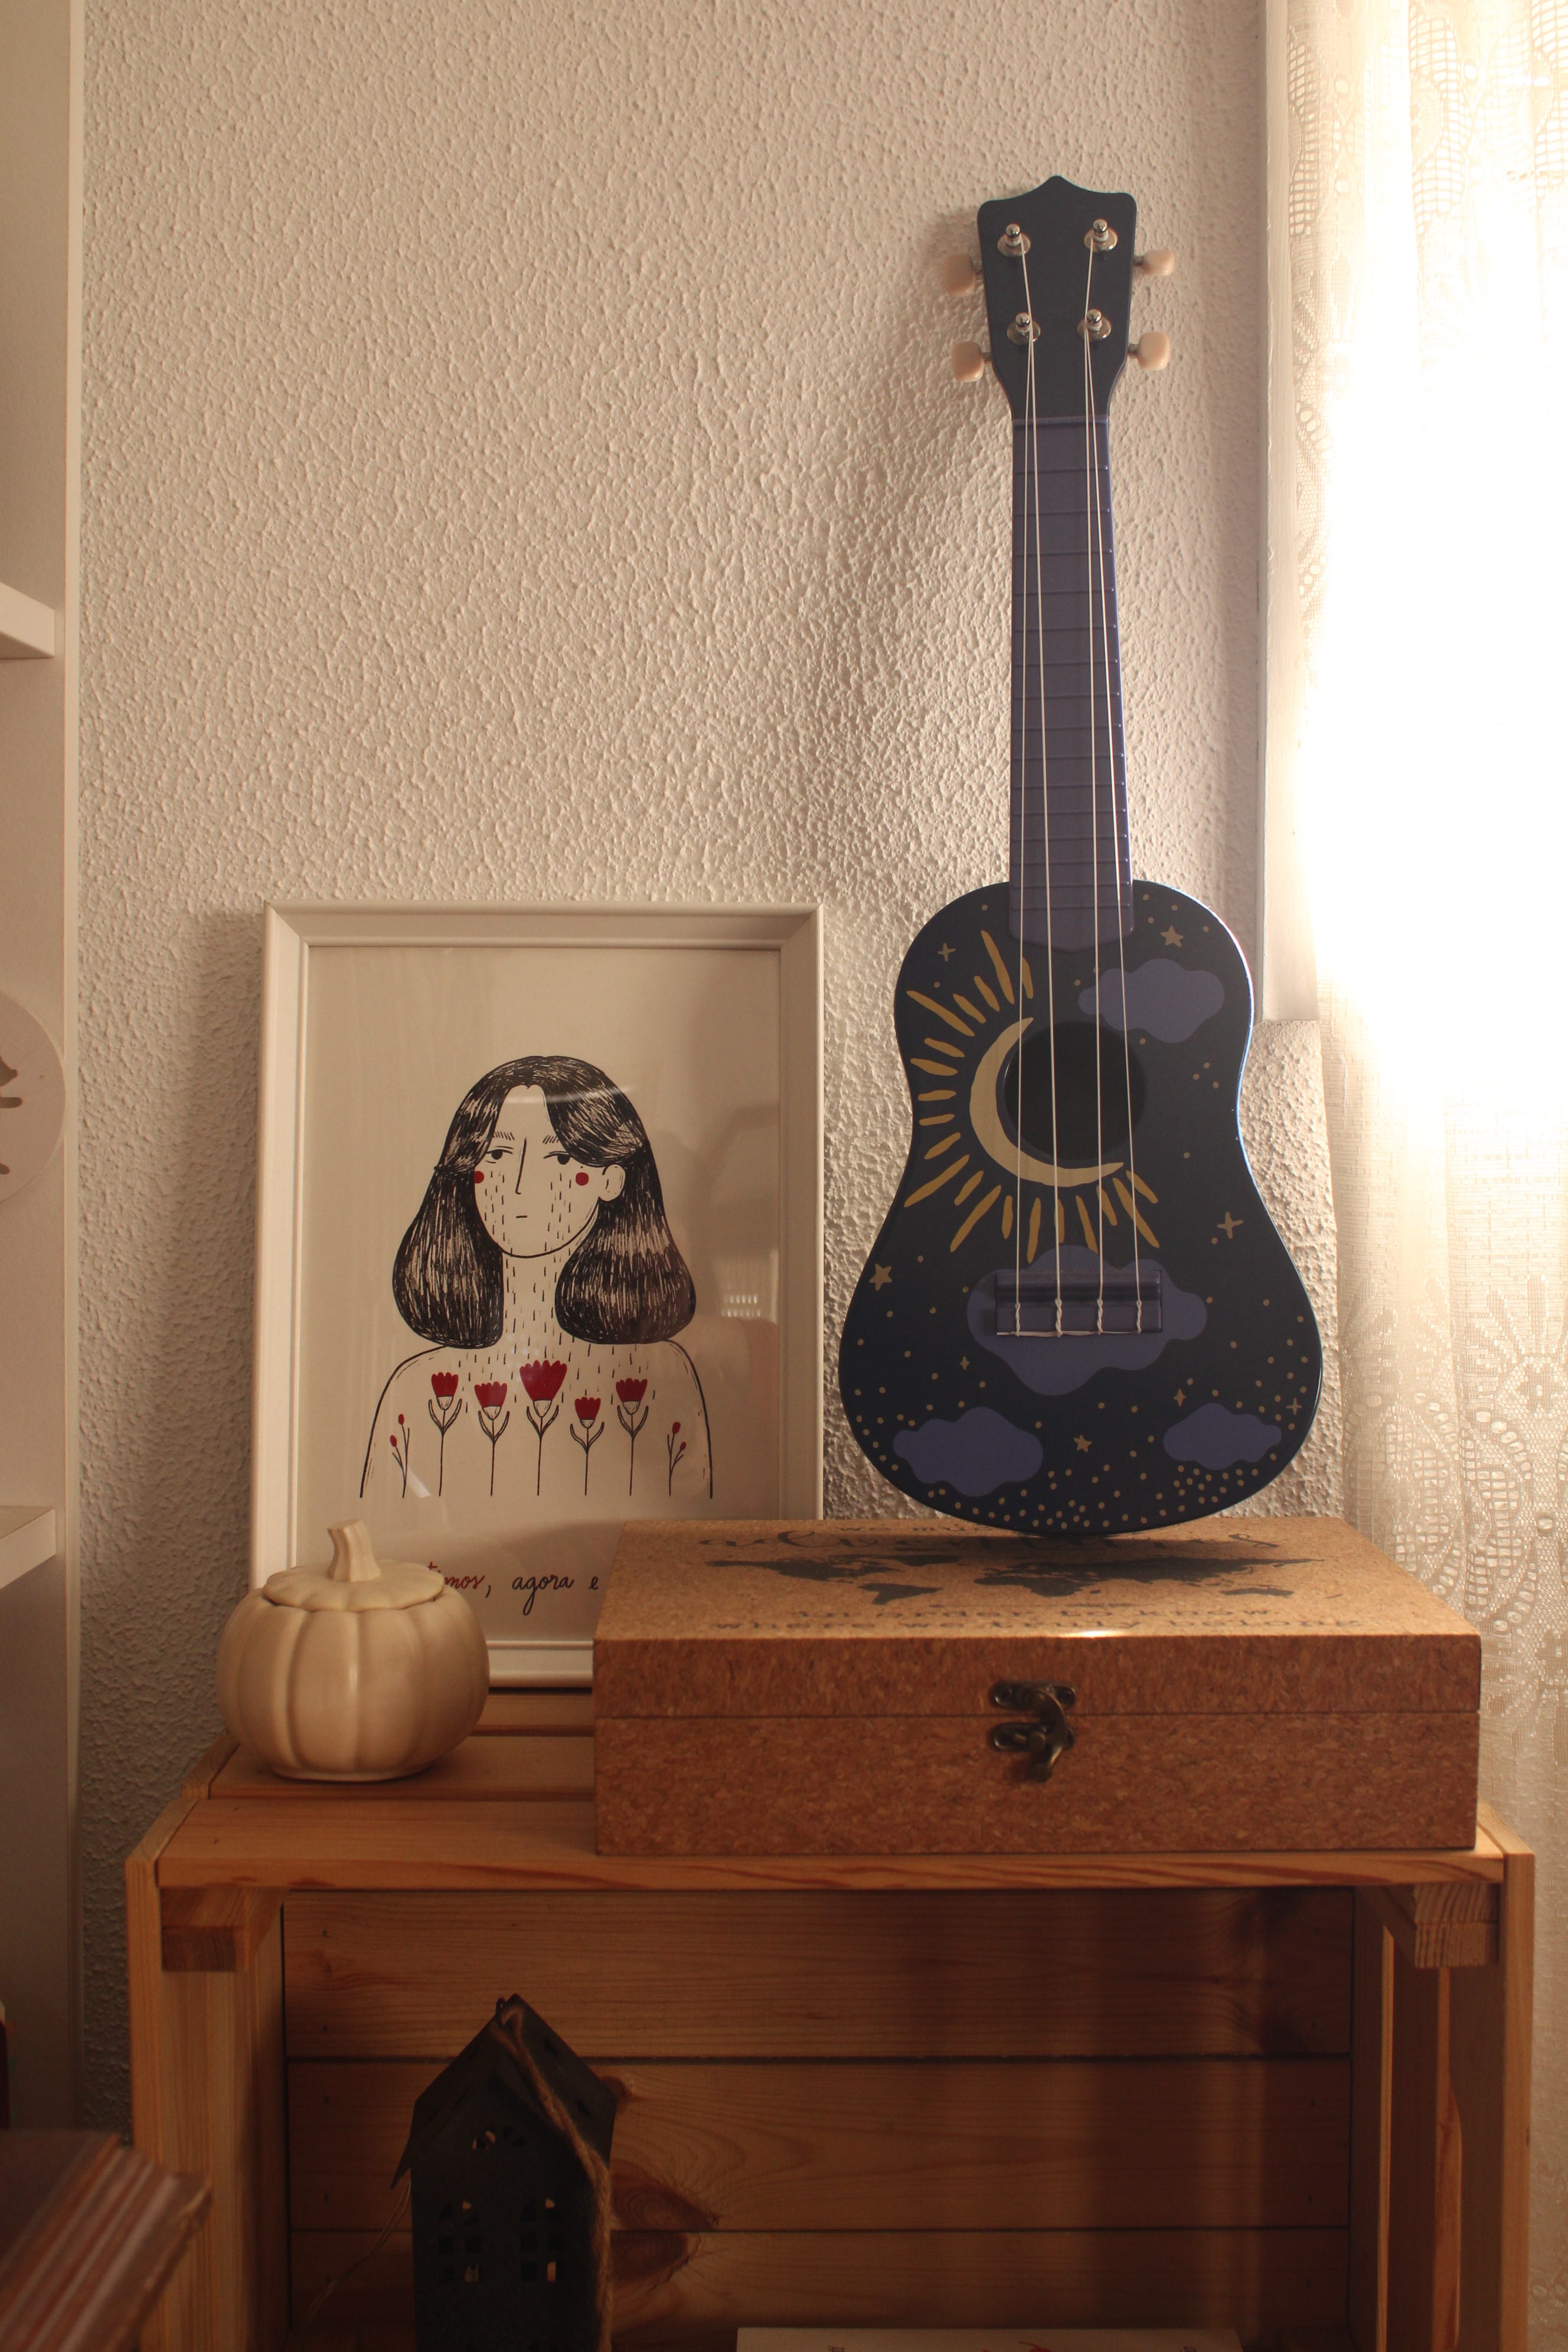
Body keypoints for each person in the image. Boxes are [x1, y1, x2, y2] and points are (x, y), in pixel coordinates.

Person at [360, 1055, 710, 1508]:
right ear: (467, 1172)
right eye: (498, 1155)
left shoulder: (665, 1375)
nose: (521, 1185)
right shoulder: (414, 1386)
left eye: (559, 1157)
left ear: (611, 1179)